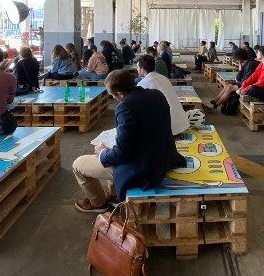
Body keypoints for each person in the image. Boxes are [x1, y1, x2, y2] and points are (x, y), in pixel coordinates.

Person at [72, 70, 186, 212]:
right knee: (111, 149)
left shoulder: (125, 107)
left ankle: (98, 203)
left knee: (78, 165)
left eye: (112, 95)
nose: (114, 98)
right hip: (165, 157)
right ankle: (113, 194)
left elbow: (122, 153)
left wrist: (102, 153)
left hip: (143, 169)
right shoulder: (156, 94)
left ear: (119, 93)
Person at [137, 55, 189, 135]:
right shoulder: (163, 78)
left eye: (138, 68)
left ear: (142, 69)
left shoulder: (143, 84)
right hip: (181, 123)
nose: (137, 70)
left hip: (168, 129)